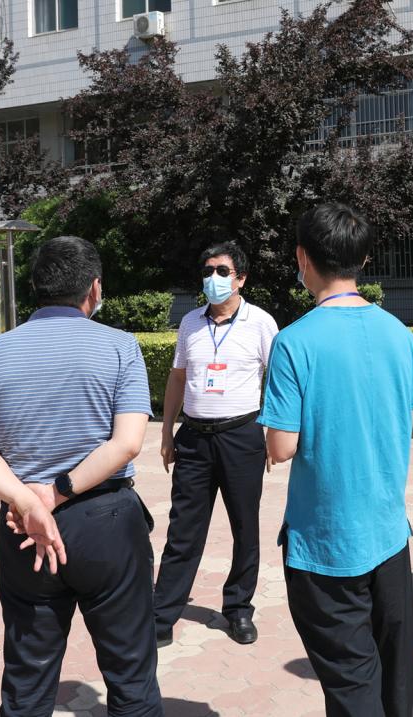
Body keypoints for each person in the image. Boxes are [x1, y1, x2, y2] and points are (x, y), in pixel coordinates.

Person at [0, 236, 163, 717]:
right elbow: (127, 443)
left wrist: (28, 501)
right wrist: (55, 493)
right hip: (105, 520)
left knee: (27, 675)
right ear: (94, 289)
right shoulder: (120, 346)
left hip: (22, 526)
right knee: (130, 671)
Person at [260, 203, 413, 717]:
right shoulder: (399, 333)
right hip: (389, 532)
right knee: (394, 676)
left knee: (351, 684)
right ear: (364, 259)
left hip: (326, 542)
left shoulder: (294, 341)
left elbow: (281, 447)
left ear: (302, 258)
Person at [153, 241, 278, 647]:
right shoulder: (190, 322)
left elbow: (278, 379)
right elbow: (177, 377)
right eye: (208, 271)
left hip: (241, 437)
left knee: (245, 527)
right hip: (194, 439)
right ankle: (162, 614)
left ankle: (238, 608)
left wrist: (273, 432)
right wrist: (167, 431)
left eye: (223, 272)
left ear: (241, 279)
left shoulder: (261, 323)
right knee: (183, 529)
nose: (213, 278)